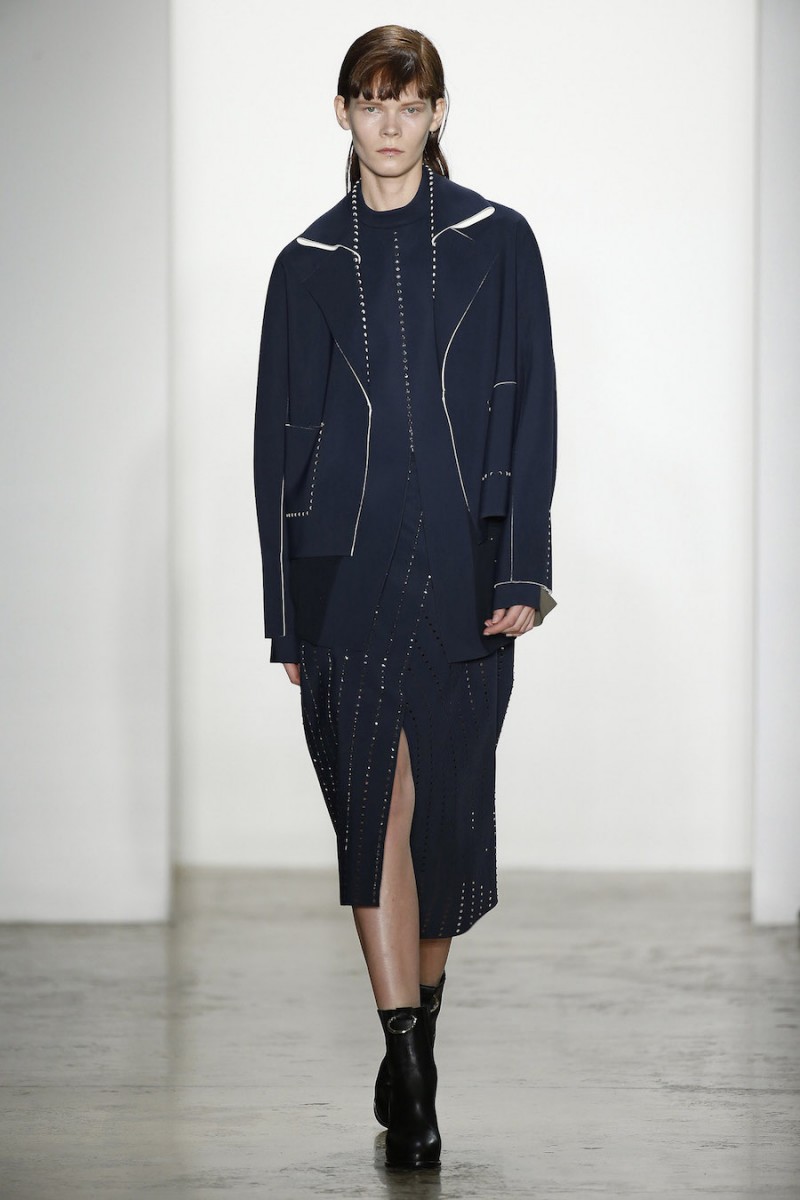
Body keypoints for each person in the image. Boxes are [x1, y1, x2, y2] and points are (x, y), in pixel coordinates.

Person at [253, 24, 557, 1171]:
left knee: (442, 825)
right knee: (369, 806)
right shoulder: (303, 264)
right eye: (370, 101)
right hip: (344, 575)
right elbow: (274, 450)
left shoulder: (497, 242)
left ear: (435, 113)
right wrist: (284, 608)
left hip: (465, 572)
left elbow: (531, 415)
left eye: (409, 100)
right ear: (342, 112)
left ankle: (416, 1026)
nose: (390, 121)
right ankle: (411, 1071)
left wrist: (521, 567)